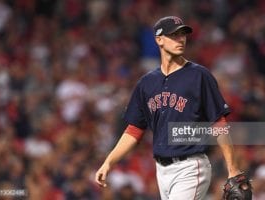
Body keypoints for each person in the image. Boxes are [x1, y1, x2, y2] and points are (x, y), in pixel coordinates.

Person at [95, 16, 242, 200]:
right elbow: (134, 129)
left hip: (191, 166)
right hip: (161, 171)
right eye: (174, 35)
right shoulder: (147, 83)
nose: (181, 39)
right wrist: (109, 162)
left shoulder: (199, 76)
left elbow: (219, 123)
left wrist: (233, 169)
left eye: (183, 34)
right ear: (159, 39)